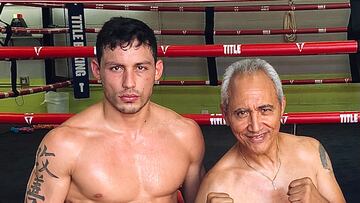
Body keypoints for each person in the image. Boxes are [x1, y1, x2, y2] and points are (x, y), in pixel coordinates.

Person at [25, 17, 205, 203]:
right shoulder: (64, 145)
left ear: (157, 71)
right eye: (116, 68)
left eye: (141, 67)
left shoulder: (185, 134)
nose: (129, 83)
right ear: (97, 70)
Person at [195, 59, 345, 203]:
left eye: (265, 110)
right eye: (242, 113)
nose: (255, 127)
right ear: (225, 114)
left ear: (282, 107)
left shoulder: (311, 153)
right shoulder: (216, 186)